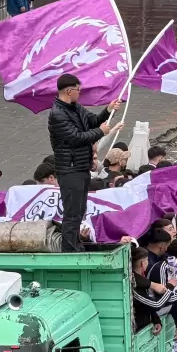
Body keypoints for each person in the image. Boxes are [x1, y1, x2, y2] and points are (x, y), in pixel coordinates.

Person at [46, 74, 122, 252]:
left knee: (79, 210)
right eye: (78, 90)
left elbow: (92, 122)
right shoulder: (57, 114)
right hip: (69, 168)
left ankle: (75, 244)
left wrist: (108, 111)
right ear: (69, 90)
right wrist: (101, 132)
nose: (80, 93)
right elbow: (75, 138)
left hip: (81, 166)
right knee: (71, 212)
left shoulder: (75, 107)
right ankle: (69, 249)